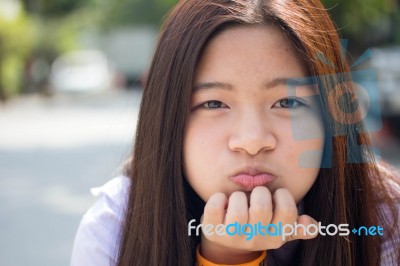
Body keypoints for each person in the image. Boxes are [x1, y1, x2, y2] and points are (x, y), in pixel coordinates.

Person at [70, 0, 400, 265]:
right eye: (213, 104)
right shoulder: (116, 227)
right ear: (168, 118)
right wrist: (226, 259)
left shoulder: (386, 217)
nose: (252, 141)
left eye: (287, 101)